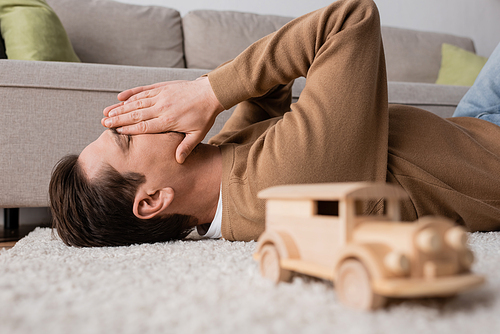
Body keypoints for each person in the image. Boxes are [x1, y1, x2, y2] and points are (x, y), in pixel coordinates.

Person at [50, 0, 500, 247]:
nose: (136, 119)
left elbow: (267, 91)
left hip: (468, 124)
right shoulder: (282, 188)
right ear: (152, 201)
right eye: (125, 137)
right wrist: (208, 92)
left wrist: (210, 98)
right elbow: (350, 19)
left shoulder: (223, 172)